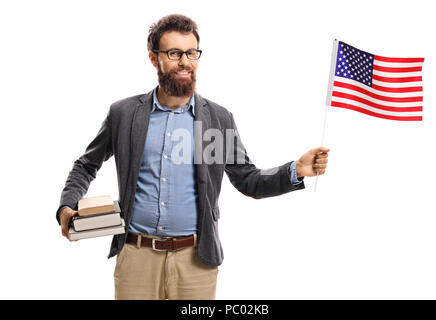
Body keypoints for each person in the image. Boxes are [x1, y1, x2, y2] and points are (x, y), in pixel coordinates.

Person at [56, 13, 330, 300]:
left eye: (191, 53)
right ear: (154, 58)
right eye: (174, 53)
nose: (185, 62)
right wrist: (67, 206)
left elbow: (248, 181)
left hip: (196, 261)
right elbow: (86, 165)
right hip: (135, 257)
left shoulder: (218, 119)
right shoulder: (124, 114)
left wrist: (295, 170)